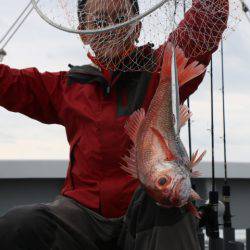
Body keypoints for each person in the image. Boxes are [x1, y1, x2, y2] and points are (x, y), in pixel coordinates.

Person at [0, 0, 228, 249]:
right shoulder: (66, 87)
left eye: (121, 19)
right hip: (80, 217)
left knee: (172, 204)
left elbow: (203, 26)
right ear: (83, 33)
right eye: (98, 22)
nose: (110, 29)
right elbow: (9, 83)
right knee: (19, 224)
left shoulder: (161, 70)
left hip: (143, 215)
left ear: (137, 27)